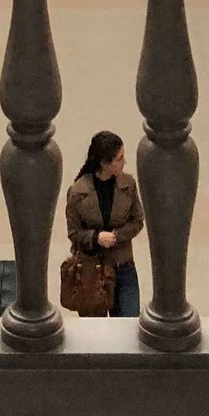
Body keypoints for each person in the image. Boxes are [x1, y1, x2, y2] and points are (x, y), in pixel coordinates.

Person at [64, 129, 145, 317]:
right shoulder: (78, 192)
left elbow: (137, 220)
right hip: (92, 270)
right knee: (95, 331)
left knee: (128, 322)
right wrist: (95, 238)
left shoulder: (128, 185)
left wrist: (118, 236)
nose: (123, 163)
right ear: (104, 163)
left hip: (122, 264)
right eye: (119, 159)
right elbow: (74, 233)